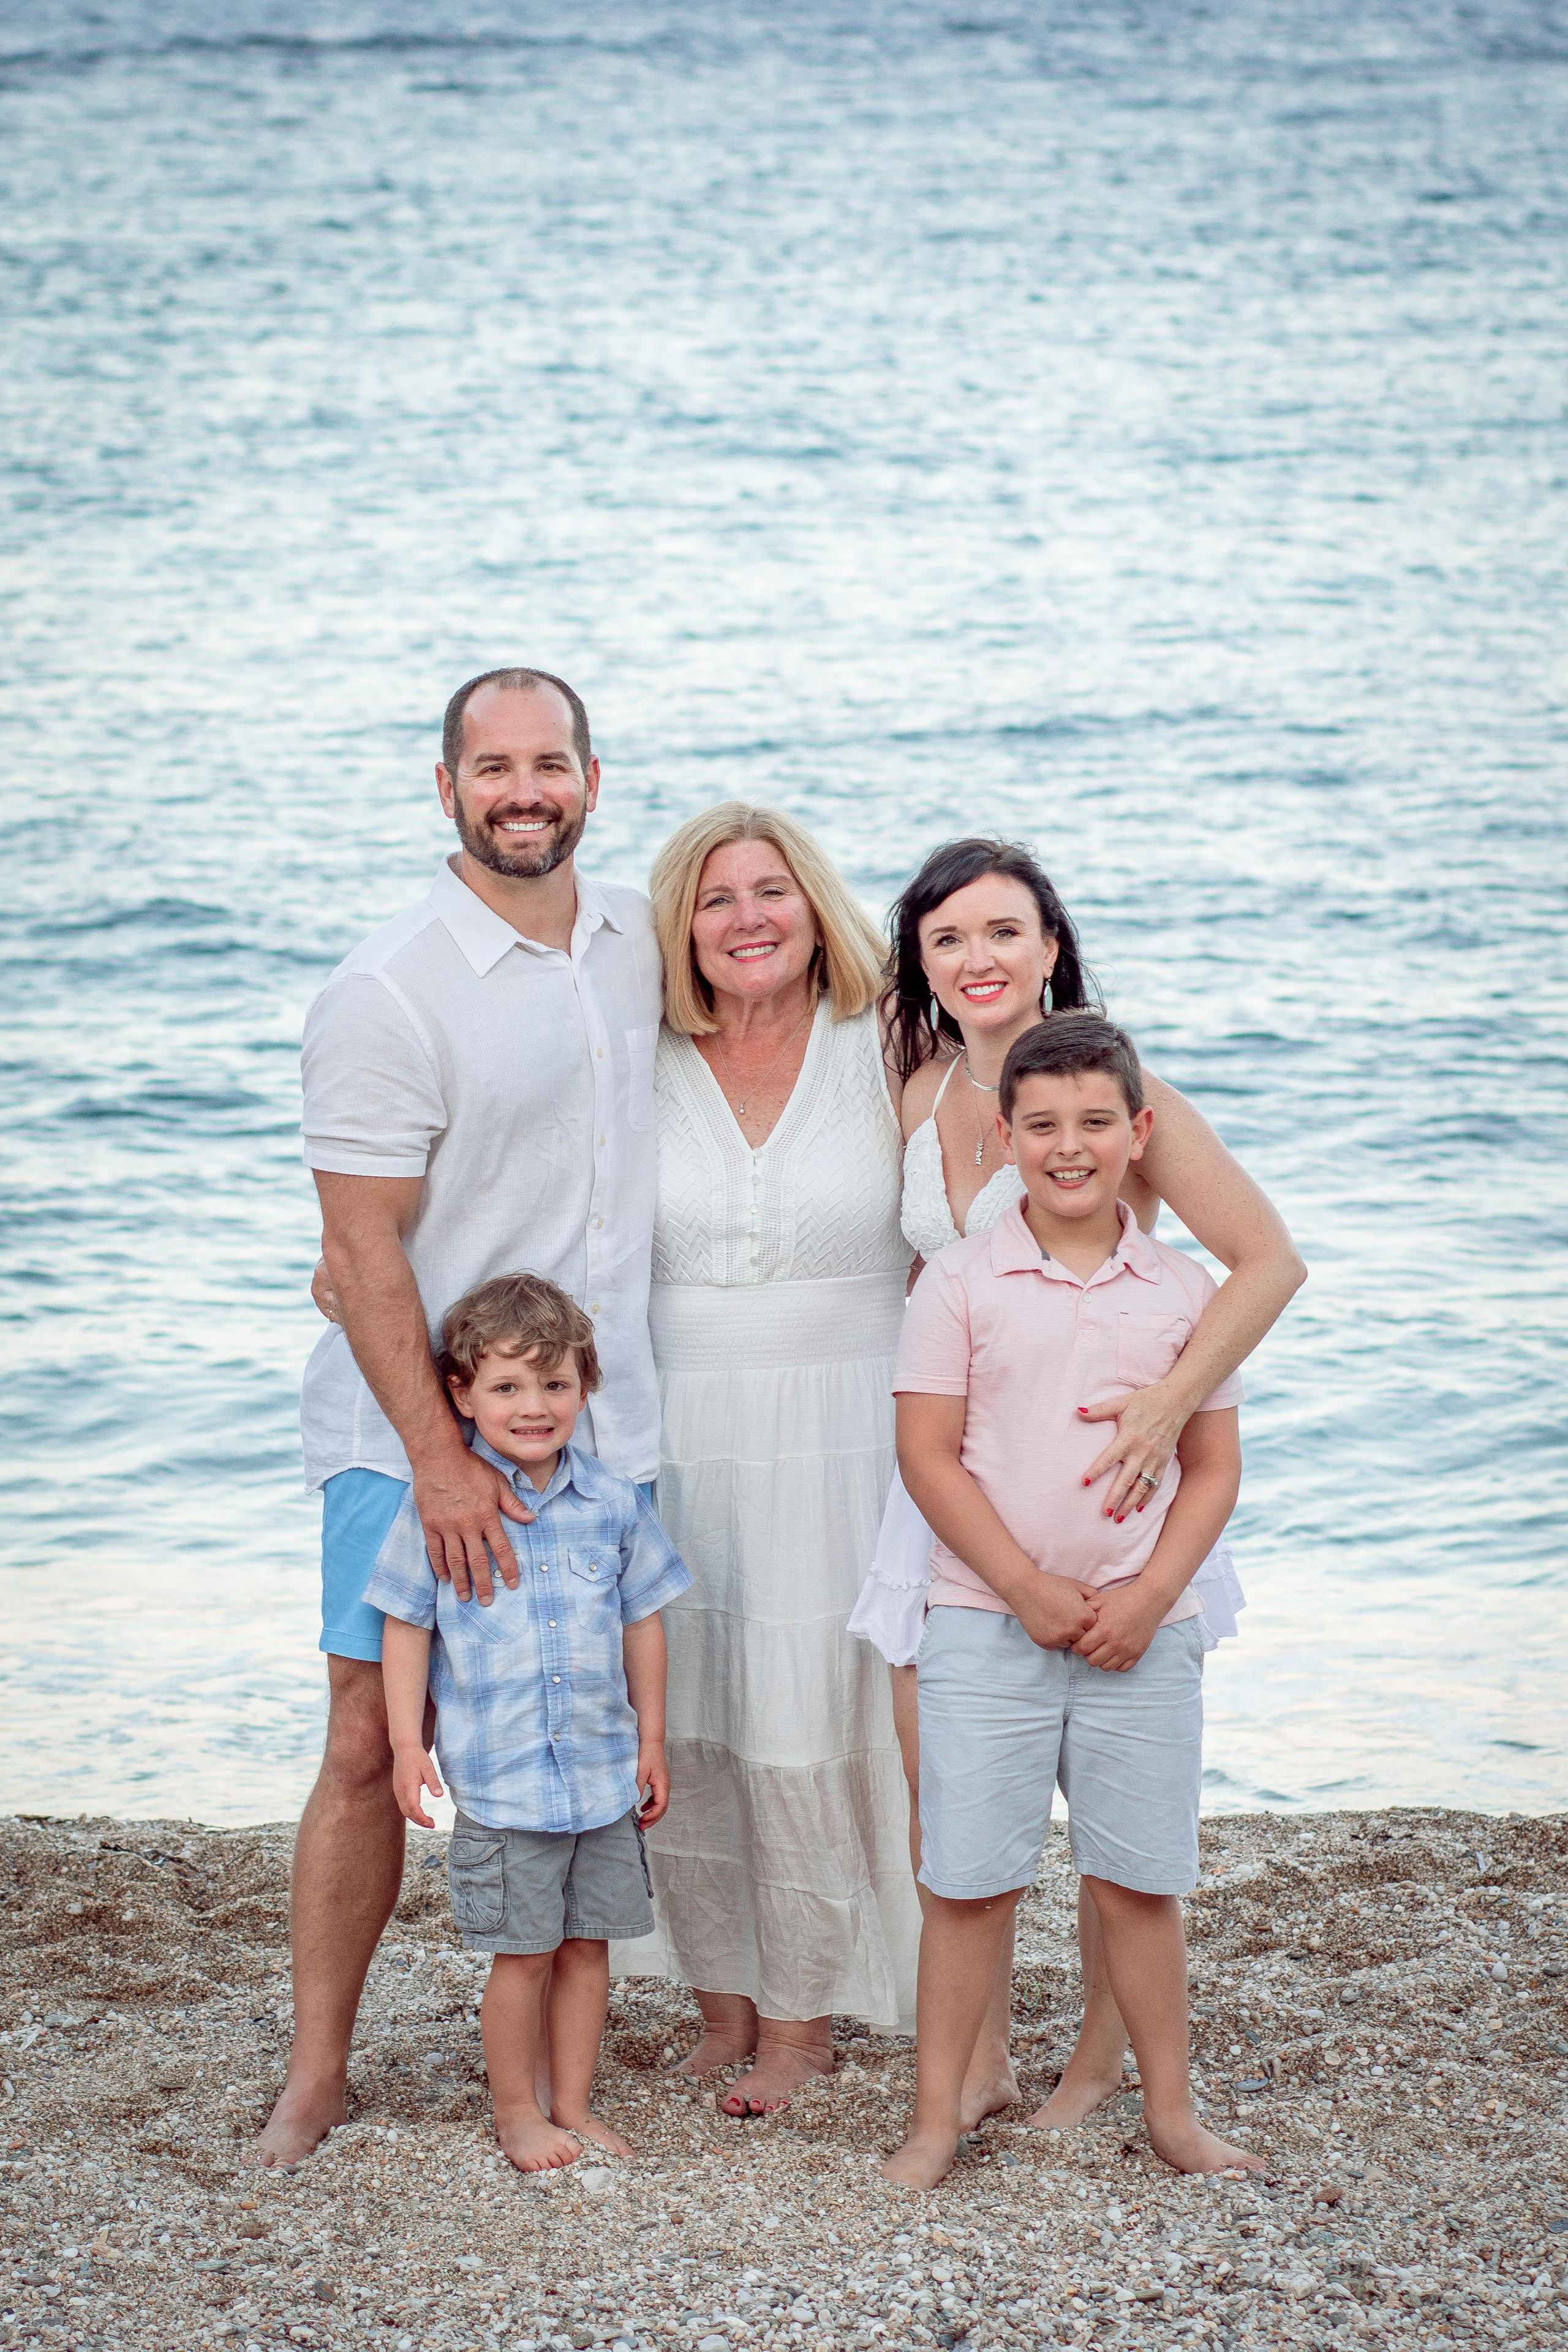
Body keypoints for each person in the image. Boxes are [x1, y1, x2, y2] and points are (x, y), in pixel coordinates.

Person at [259, 666, 662, 2168]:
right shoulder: (387, 988)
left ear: (591, 778)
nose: (522, 791)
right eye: (491, 767)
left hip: (594, 1428)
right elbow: (360, 1251)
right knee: (369, 1741)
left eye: (547, 762)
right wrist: (437, 1461)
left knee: (593, 1715)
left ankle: (621, 2047)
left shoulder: (637, 942)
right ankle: (316, 2073)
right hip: (407, 1443)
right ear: (446, 789)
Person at [848, 835, 1305, 2130]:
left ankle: (1100, 2066)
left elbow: (1263, 1260)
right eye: (947, 939)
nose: (977, 959)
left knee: (1122, 1817)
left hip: (1113, 1491)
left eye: (1003, 932)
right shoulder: (921, 1089)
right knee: (948, 1793)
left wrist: (1169, 1405)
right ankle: (978, 2065)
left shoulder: (1108, 1086)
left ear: (1050, 944)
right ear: (920, 967)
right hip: (958, 1496)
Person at [881, 1014, 1262, 2189]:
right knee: (968, 1882)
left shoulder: (1182, 1288)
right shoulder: (960, 1281)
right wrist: (1024, 1587)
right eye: (1041, 1125)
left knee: (1140, 1882)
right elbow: (928, 1455)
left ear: (1138, 1133)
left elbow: (1215, 1466)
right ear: (1005, 1138)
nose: (1069, 1145)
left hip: (1143, 1636)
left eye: (1097, 1122)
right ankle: (938, 2119)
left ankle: (1172, 2117)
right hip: (987, 1625)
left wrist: (1153, 1596)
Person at [631, 802, 923, 2114]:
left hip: (849, 1430)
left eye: (769, 892)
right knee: (689, 1717)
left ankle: (802, 2029)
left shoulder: (890, 1041)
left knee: (806, 1718)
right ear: (677, 930)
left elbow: (982, 1197)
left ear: (815, 907)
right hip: (678, 1426)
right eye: (713, 899)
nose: (745, 918)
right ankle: (719, 2002)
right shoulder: (635, 1058)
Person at [367, 1272, 691, 2173]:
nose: (535, 1406)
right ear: (461, 1396)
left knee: (588, 1950)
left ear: (587, 1387)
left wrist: (653, 1740)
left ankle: (573, 2104)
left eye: (555, 1384)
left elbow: (644, 1621)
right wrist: (406, 1745)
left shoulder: (615, 1504)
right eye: (507, 1386)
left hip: (601, 1776)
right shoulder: (436, 1507)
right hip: (504, 1785)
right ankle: (517, 2113)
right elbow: (406, 1623)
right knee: (523, 1955)